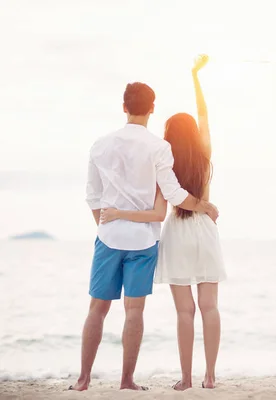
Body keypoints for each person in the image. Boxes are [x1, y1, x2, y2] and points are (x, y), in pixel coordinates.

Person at [70, 81, 219, 392]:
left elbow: (92, 195)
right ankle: (127, 381)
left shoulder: (100, 144)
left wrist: (106, 226)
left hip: (110, 237)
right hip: (146, 240)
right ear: (152, 108)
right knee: (135, 310)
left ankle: (83, 380)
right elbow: (174, 193)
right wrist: (204, 205)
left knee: (96, 308)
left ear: (124, 107)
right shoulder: (159, 148)